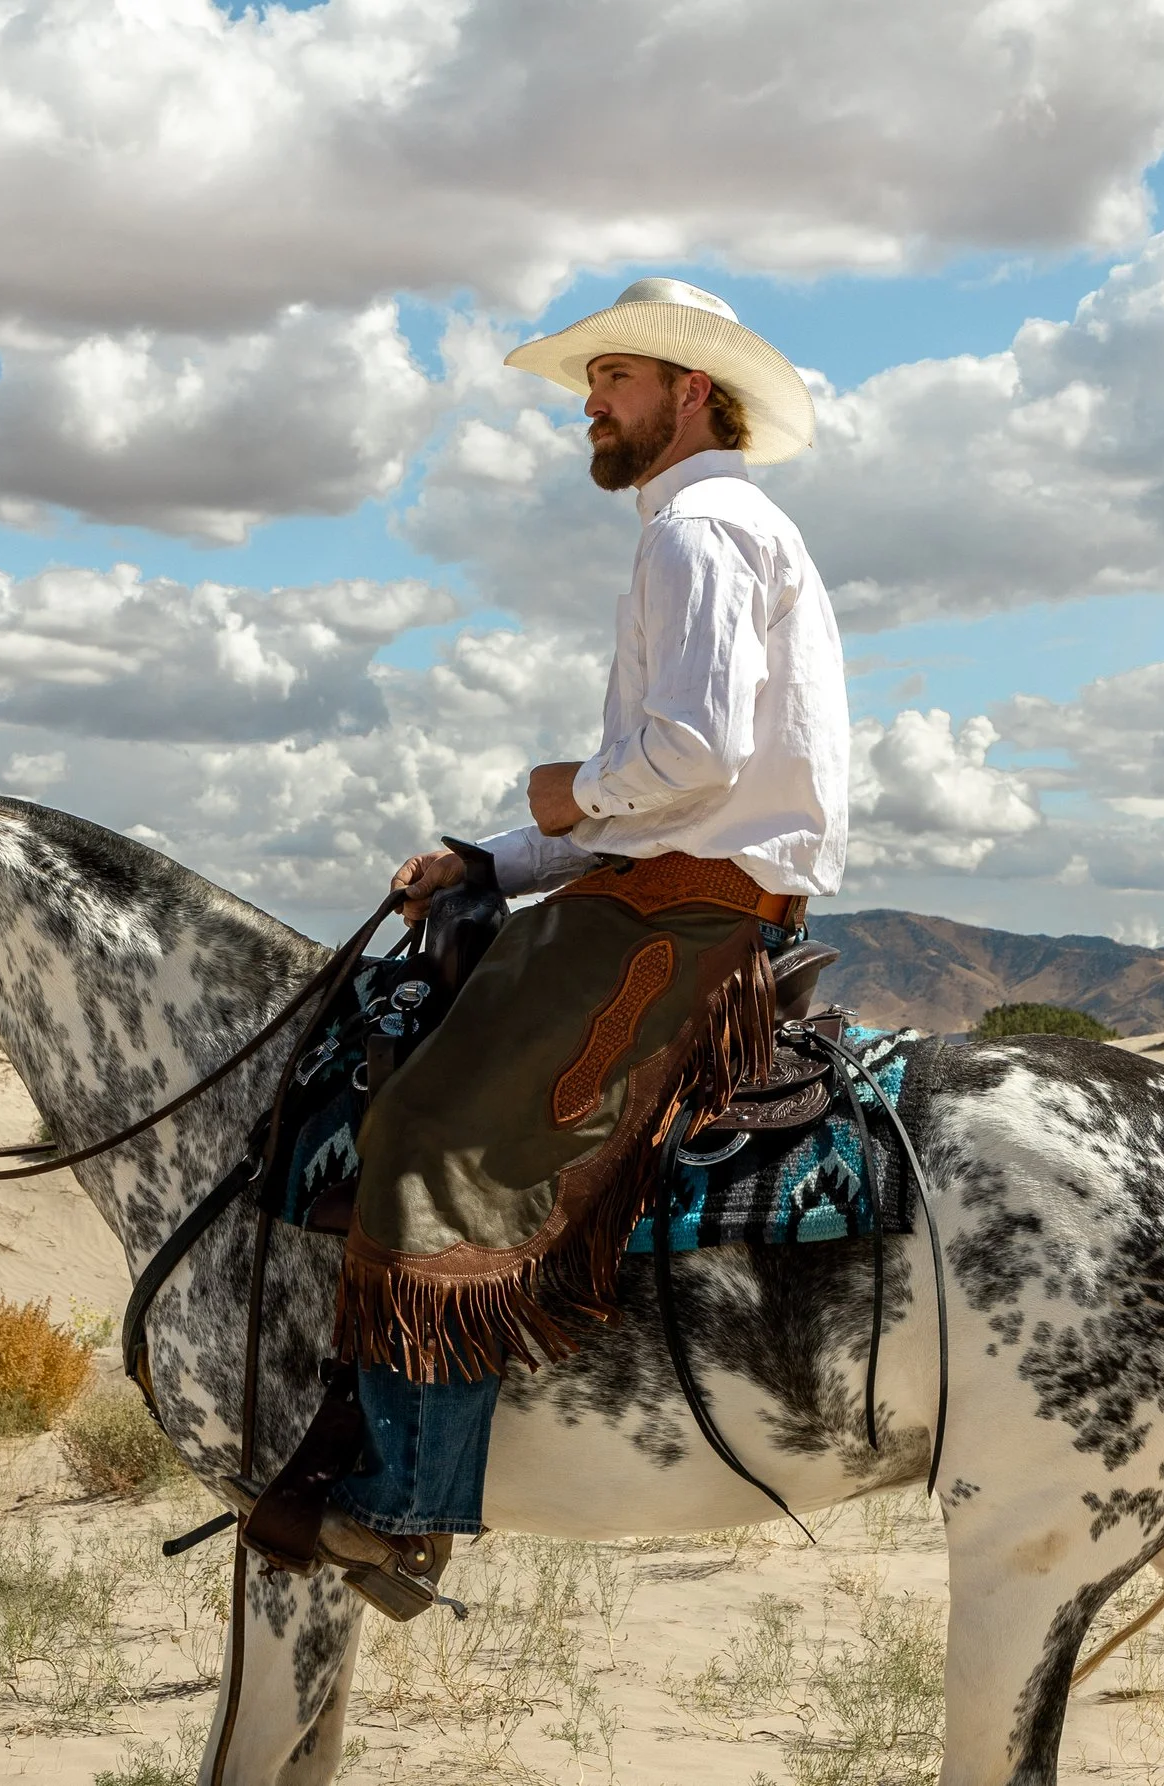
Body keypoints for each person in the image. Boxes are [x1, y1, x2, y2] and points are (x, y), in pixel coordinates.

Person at [308, 278, 849, 1616]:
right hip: (662, 885)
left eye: (616, 380)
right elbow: (661, 797)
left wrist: (558, 796)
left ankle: (409, 1496)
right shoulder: (708, 530)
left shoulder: (699, 534)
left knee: (431, 1122)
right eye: (593, 382)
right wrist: (497, 855)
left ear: (694, 396)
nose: (591, 406)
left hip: (686, 914)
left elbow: (690, 760)